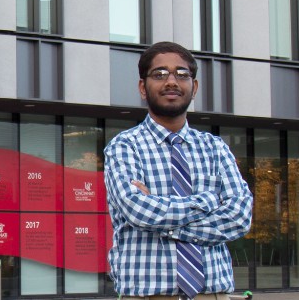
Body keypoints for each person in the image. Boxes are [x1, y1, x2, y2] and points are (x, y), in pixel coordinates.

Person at [104, 41, 252, 299]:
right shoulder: (124, 146)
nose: (171, 81)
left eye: (182, 74)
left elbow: (239, 217)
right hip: (148, 295)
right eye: (159, 74)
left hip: (212, 295)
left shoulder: (215, 148)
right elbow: (137, 210)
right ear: (142, 87)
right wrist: (209, 201)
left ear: (193, 88)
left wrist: (162, 219)